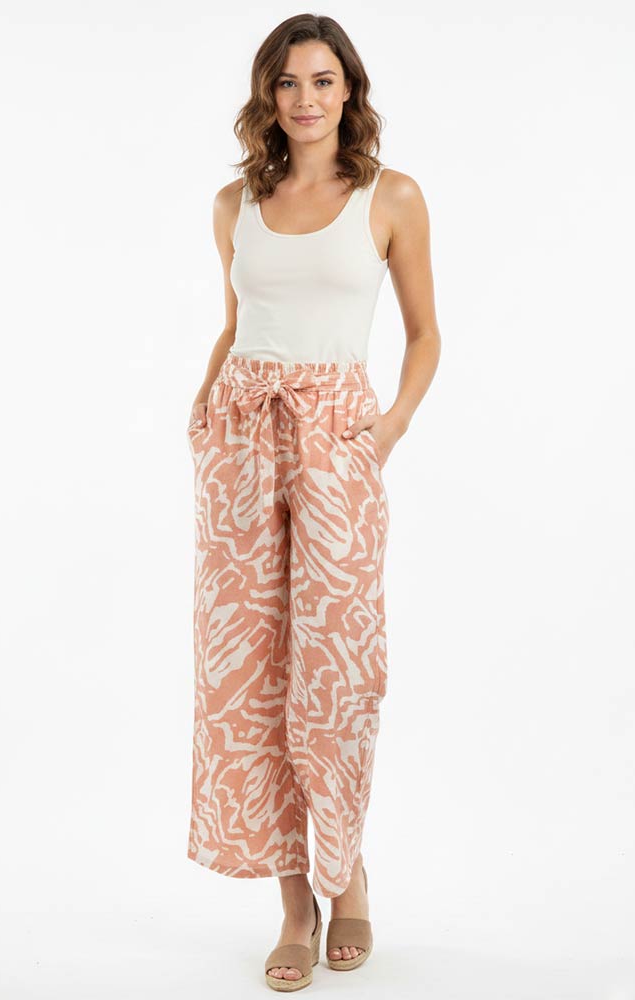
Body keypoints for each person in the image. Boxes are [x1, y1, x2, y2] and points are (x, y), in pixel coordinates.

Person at [185, 13, 440, 992]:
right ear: (267, 94)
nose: (304, 99)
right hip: (240, 438)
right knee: (250, 673)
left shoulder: (391, 195)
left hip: (336, 436)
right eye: (287, 82)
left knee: (334, 668)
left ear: (349, 91)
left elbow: (424, 333)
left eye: (322, 81)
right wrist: (203, 409)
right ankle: (294, 901)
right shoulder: (233, 204)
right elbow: (238, 323)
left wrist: (389, 428)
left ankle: (348, 873)